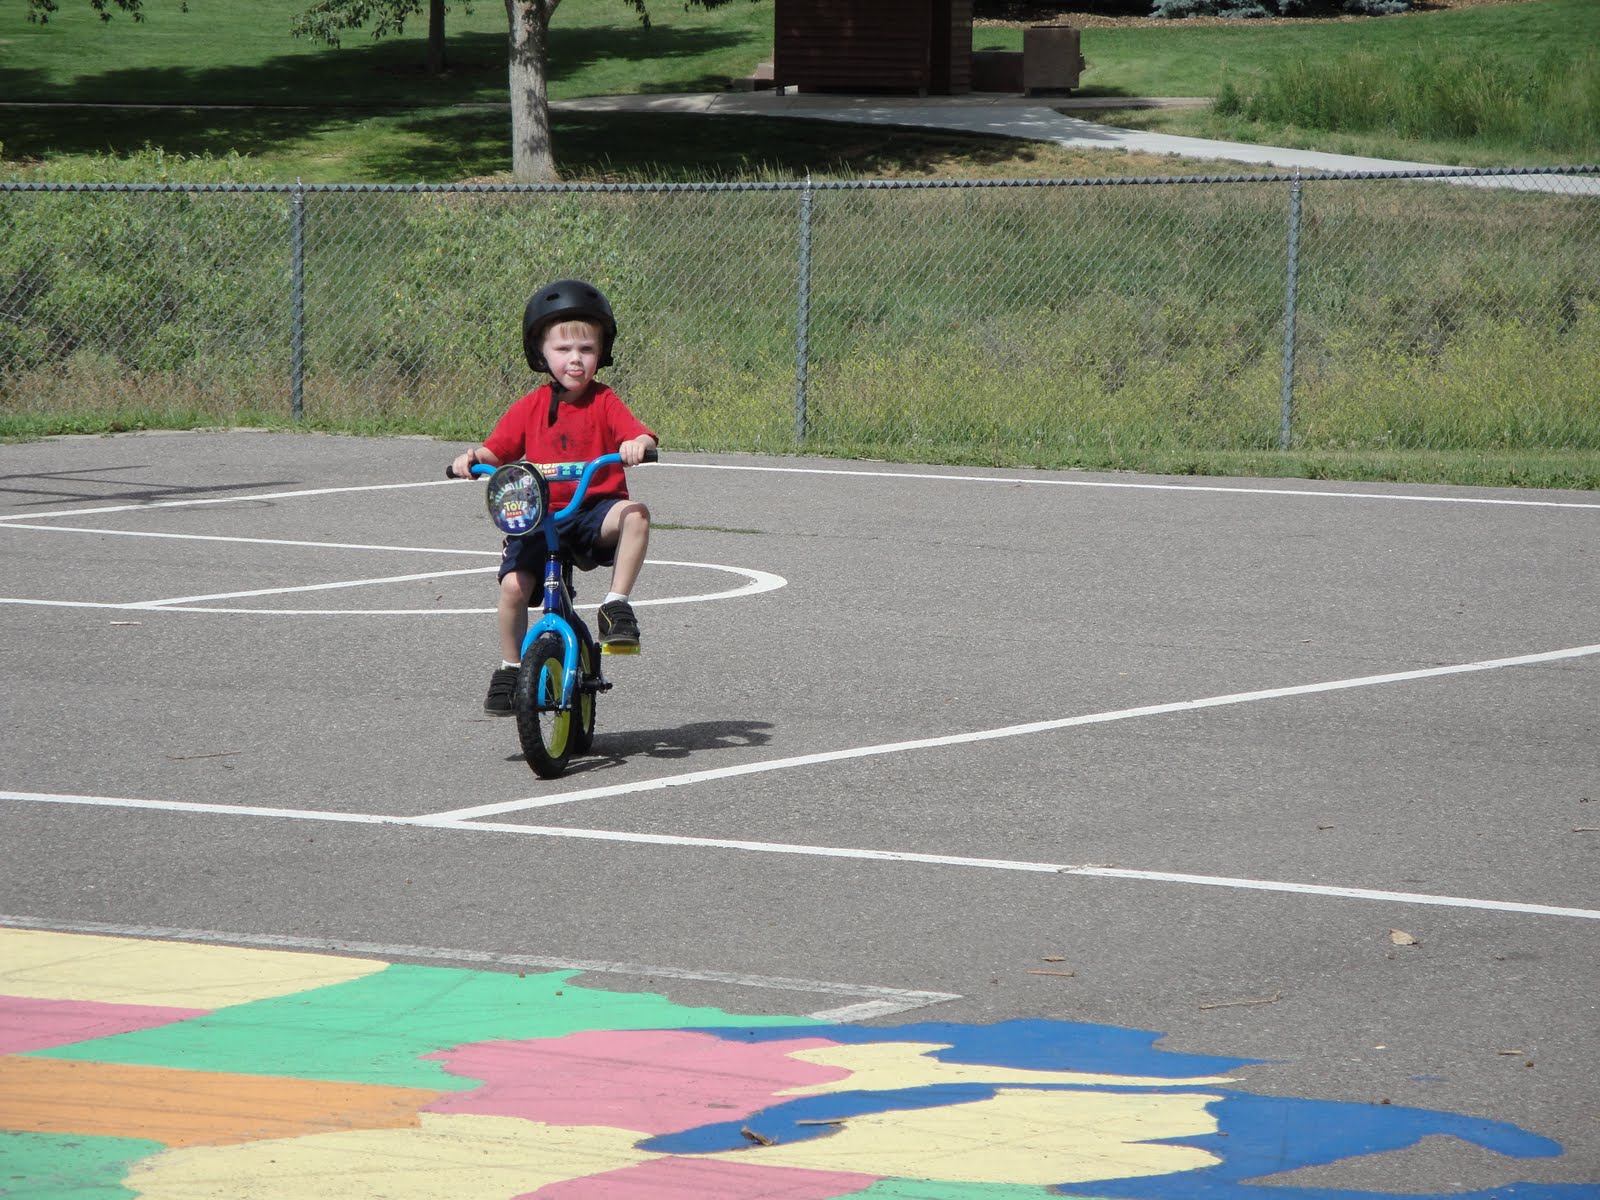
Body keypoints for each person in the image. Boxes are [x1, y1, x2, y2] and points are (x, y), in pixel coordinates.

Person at [449, 279, 658, 716]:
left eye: (586, 349)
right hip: (540, 516)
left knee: (636, 514)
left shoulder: (604, 401)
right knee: (513, 587)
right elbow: (496, 451)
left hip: (593, 511)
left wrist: (636, 444)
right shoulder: (530, 406)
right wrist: (472, 459)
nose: (575, 359)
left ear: (602, 352)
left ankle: (616, 606)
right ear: (540, 354)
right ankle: (510, 667)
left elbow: (637, 433)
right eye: (563, 349)